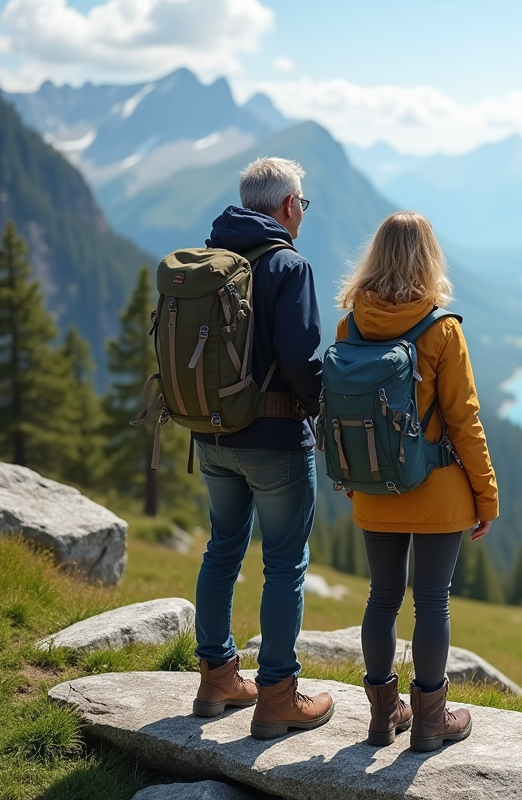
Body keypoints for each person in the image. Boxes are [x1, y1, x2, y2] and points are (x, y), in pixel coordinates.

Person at [334, 211, 498, 750]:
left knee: (382, 597)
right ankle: (430, 721)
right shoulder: (442, 330)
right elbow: (464, 421)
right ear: (429, 259)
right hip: (437, 489)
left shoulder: (350, 326)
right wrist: (486, 498)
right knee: (431, 601)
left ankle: (383, 716)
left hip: (373, 485)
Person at [190, 157, 335, 740]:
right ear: (287, 205)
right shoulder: (287, 265)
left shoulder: (210, 258)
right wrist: (318, 408)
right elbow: (301, 359)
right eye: (302, 203)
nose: (302, 212)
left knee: (222, 549)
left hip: (211, 435)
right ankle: (277, 696)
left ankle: (217, 678)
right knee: (284, 563)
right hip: (275, 441)